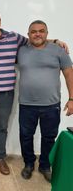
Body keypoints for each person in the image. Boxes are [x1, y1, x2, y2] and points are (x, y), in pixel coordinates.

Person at [0, 9, 68, 177]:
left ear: (0, 22)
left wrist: (56, 40)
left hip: (6, 95)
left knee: (2, 128)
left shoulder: (14, 38)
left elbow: (36, 40)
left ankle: (1, 159)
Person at [17, 20, 73, 182]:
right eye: (33, 31)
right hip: (27, 105)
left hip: (51, 105)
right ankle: (28, 164)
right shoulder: (21, 51)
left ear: (47, 34)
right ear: (28, 35)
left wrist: (72, 99)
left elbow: (69, 74)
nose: (37, 34)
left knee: (49, 136)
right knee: (25, 136)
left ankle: (45, 165)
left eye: (41, 31)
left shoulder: (58, 51)